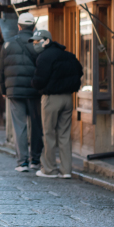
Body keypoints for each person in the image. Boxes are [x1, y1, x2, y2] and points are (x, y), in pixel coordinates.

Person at [29, 30, 83, 179]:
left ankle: (49, 169)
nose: (35, 45)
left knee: (49, 134)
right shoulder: (68, 55)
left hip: (51, 98)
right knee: (65, 135)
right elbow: (79, 71)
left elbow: (39, 79)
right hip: (68, 98)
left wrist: (34, 84)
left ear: (46, 41)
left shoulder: (44, 57)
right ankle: (66, 170)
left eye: (37, 41)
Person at [0, 12, 43, 173]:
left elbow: (1, 70)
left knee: (20, 126)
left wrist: (4, 90)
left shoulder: (8, 44)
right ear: (33, 27)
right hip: (35, 90)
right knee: (36, 125)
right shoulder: (38, 44)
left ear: (18, 26)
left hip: (14, 91)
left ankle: (22, 161)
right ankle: (35, 160)